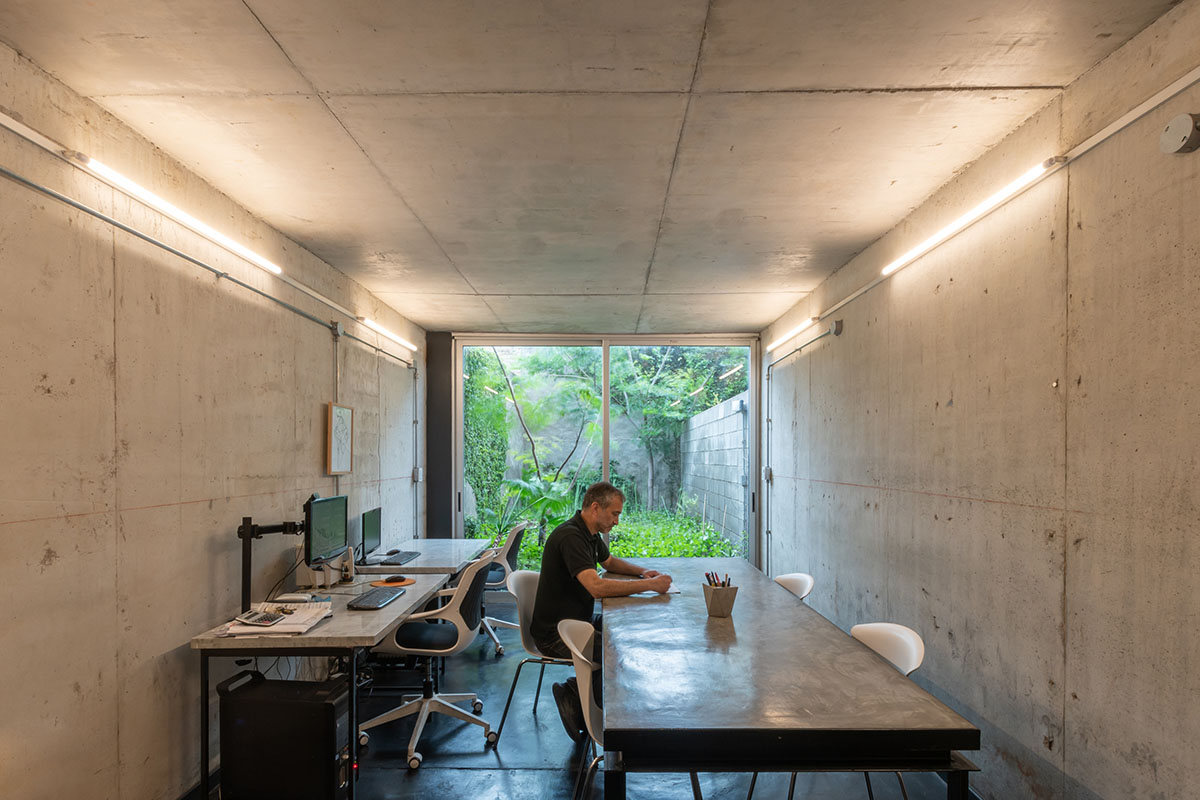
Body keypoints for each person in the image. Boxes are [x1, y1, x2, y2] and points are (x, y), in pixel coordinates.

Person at [530, 481, 672, 741]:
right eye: (614, 514)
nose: (617, 521)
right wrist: (650, 586)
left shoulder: (589, 533)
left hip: (577, 621)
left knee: (620, 633)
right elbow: (596, 587)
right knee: (616, 651)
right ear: (596, 508)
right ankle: (576, 696)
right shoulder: (571, 537)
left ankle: (581, 696)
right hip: (554, 634)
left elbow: (609, 562)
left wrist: (642, 572)